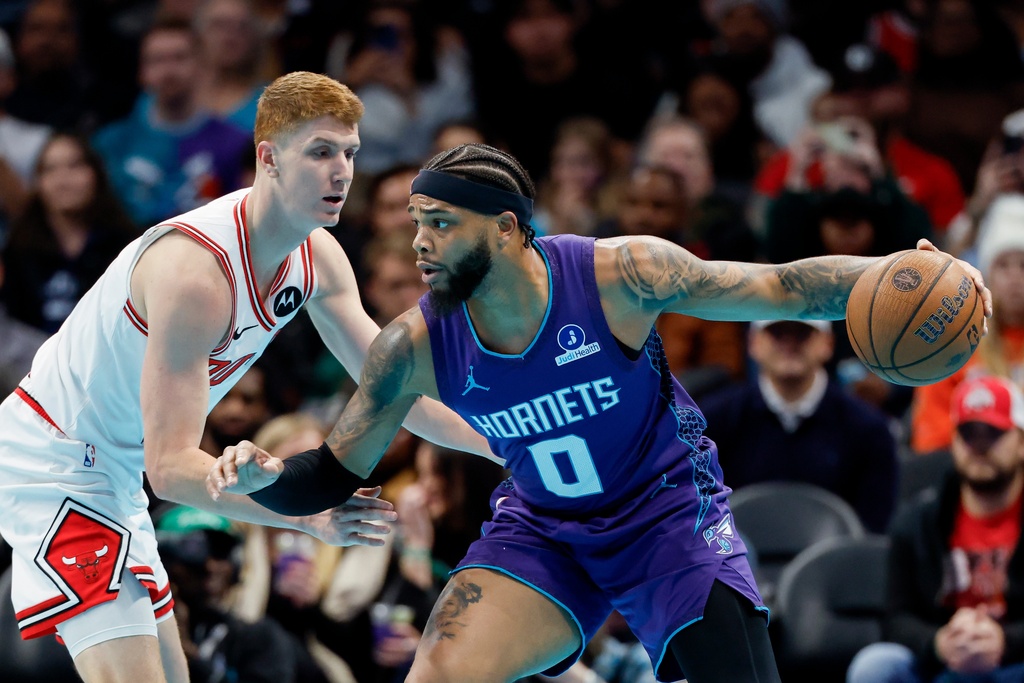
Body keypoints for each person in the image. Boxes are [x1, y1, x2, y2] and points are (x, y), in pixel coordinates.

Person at [211, 142, 992, 683]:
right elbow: (332, 470)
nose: (419, 241)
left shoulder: (620, 276)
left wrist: (895, 273)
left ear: (509, 229)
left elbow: (782, 285)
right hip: (544, 530)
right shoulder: (410, 348)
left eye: (441, 222)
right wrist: (266, 476)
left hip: (667, 518)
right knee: (439, 670)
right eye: (416, 221)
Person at [0, 71, 493, 683]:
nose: (342, 171)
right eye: (320, 152)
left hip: (117, 472)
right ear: (269, 158)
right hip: (56, 460)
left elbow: (395, 390)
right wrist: (301, 514)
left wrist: (516, 441)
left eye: (350, 153)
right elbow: (173, 468)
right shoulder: (194, 274)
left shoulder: (316, 257)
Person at [847, 375, 1024, 683]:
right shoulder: (916, 521)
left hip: (1015, 662)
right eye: (969, 434)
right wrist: (939, 643)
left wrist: (1005, 641)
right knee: (874, 666)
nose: (979, 447)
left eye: (993, 433)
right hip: (943, 661)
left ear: (1021, 443)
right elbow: (896, 617)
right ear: (953, 441)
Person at [700, 319, 899, 534]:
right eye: (777, 333)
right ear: (753, 343)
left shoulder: (869, 431)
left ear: (828, 344)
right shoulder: (713, 425)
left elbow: (874, 531)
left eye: (802, 333)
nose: (790, 343)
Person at [1, 132, 138, 334]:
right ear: (37, 183)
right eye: (50, 169)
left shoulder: (128, 246)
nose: (63, 180)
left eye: (75, 166)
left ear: (97, 175)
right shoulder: (18, 250)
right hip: (31, 360)